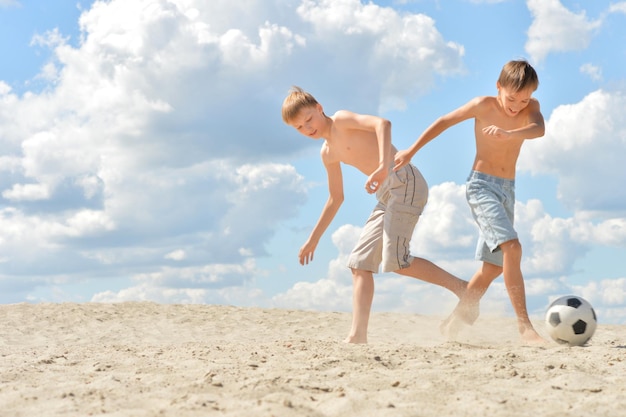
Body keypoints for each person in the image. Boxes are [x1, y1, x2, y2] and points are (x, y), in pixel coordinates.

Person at [281, 86, 468, 344]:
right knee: (359, 263)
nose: (307, 128)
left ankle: (465, 290)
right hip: (386, 196)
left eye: (308, 119)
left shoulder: (343, 120)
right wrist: (314, 239)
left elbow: (383, 124)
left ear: (320, 108)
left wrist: (383, 166)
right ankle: (358, 336)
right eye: (299, 128)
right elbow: (336, 198)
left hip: (405, 181)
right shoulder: (328, 153)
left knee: (396, 261)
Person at [394, 59, 546, 344]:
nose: (517, 106)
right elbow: (444, 122)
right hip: (481, 187)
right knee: (512, 248)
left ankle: (453, 323)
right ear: (498, 87)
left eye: (524, 99)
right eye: (512, 98)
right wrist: (411, 150)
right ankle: (524, 327)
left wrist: (509, 133)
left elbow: (539, 129)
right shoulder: (483, 105)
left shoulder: (531, 109)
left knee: (494, 266)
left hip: (507, 190)